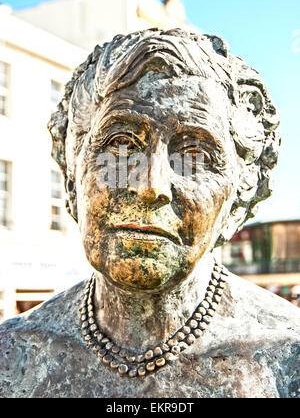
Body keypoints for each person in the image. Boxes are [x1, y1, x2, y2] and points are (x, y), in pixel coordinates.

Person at [0, 29, 299, 398]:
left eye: (195, 155)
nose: (150, 186)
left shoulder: (288, 359)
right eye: (121, 144)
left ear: (237, 200)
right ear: (71, 172)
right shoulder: (11, 358)